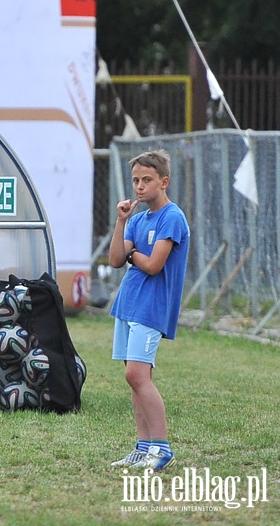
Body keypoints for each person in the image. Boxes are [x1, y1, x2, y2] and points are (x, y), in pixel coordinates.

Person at [108, 149, 189, 472]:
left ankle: (162, 447)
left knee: (136, 375)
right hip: (128, 304)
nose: (139, 187)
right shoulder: (137, 219)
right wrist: (121, 221)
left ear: (163, 181)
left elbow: (154, 265)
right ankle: (143, 448)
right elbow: (116, 259)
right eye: (136, 181)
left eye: (147, 180)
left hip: (151, 307)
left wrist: (134, 255)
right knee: (136, 379)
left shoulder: (172, 217)